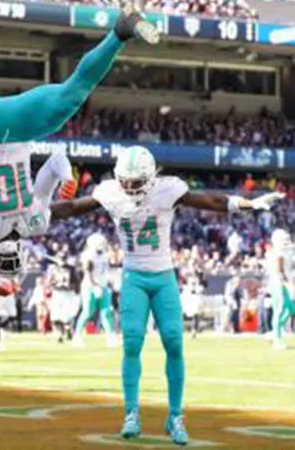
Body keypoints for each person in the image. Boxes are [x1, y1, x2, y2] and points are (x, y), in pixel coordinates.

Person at [50, 145, 284, 446]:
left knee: (174, 342)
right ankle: (131, 413)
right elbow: (72, 208)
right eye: (125, 180)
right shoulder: (110, 191)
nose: (129, 187)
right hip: (134, 275)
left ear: (149, 177)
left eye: (135, 181)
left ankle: (175, 416)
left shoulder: (167, 189)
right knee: (132, 340)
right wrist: (35, 214)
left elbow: (209, 200)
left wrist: (246, 205)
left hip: (163, 276)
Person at [0, 0, 158, 296]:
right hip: (22, 130)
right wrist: (66, 177)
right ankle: (121, 30)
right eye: (13, 260)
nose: (10, 254)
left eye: (5, 258)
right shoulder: (35, 222)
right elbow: (56, 160)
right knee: (72, 96)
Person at [73, 232, 118, 348]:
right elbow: (88, 272)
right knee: (88, 311)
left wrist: (108, 282)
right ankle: (77, 336)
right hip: (90, 286)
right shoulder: (88, 255)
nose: (103, 245)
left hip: (103, 285)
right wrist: (95, 286)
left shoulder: (105, 255)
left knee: (106, 311)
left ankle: (111, 337)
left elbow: (106, 270)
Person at [266, 228, 293, 350]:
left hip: (285, 282)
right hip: (279, 283)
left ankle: (274, 332)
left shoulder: (287, 250)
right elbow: (279, 271)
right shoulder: (277, 252)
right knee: (280, 309)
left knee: (290, 309)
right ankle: (277, 338)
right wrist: (288, 283)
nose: (286, 241)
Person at [47, 260, 80, 344]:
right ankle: (62, 333)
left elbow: (77, 281)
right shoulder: (53, 269)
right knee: (55, 315)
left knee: (66, 315)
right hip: (57, 292)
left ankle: (66, 330)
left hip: (68, 293)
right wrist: (53, 285)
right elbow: (49, 281)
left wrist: (74, 289)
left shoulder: (71, 268)